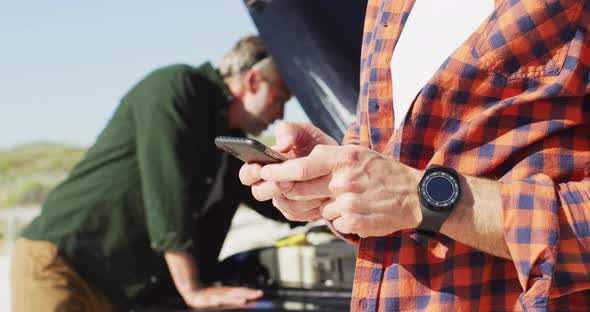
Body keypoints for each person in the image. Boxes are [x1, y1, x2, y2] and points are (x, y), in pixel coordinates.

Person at [240, 0, 590, 311]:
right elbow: (385, 166)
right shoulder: (384, 8)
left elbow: (404, 190)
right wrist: (333, 177)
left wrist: (422, 197)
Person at [12, 35, 294, 311]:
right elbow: (167, 194)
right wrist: (192, 290)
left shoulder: (230, 142)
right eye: (279, 98)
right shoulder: (176, 88)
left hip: (120, 292)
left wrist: (324, 203)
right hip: (63, 268)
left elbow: (270, 200)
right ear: (254, 81)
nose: (281, 114)